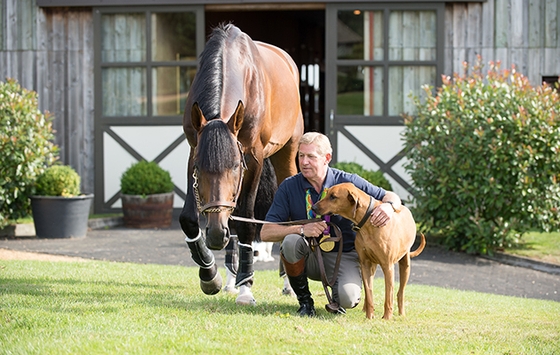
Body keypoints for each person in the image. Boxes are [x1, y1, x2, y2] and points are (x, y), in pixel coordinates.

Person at [260, 132, 403, 316]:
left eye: (311, 157)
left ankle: (338, 298)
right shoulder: (289, 186)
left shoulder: (348, 182)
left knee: (348, 298)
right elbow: (265, 232)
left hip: (345, 256)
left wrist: (389, 207)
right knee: (290, 242)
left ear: (327, 158)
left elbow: (392, 197)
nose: (304, 162)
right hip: (309, 255)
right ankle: (305, 303)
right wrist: (302, 229)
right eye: (301, 156)